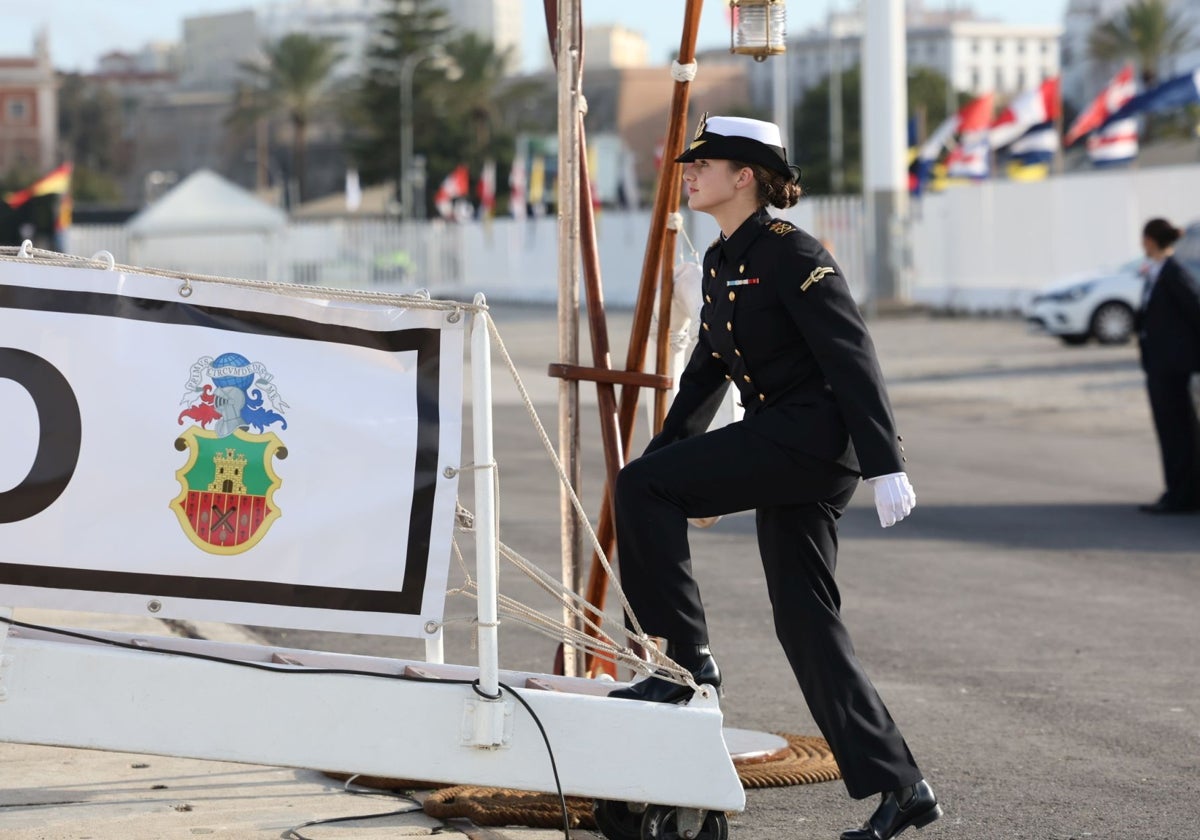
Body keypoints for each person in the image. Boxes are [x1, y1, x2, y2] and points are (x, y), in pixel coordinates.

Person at [607, 114, 940, 840]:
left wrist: (887, 464)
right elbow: (704, 378)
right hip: (784, 443)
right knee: (805, 623)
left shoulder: (793, 252)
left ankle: (683, 661)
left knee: (639, 489)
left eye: (704, 163)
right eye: (688, 164)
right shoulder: (726, 259)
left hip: (812, 443)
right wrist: (670, 463)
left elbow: (852, 355)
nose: (688, 174)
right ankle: (901, 786)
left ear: (745, 176)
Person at [1135, 217, 1200, 514]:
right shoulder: (1157, 272)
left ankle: (1183, 495)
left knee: (1179, 433)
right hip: (1160, 366)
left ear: (1150, 240)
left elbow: (1195, 311)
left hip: (1173, 368)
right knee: (1169, 432)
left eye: (1143, 238)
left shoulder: (1174, 273)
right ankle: (1175, 490)